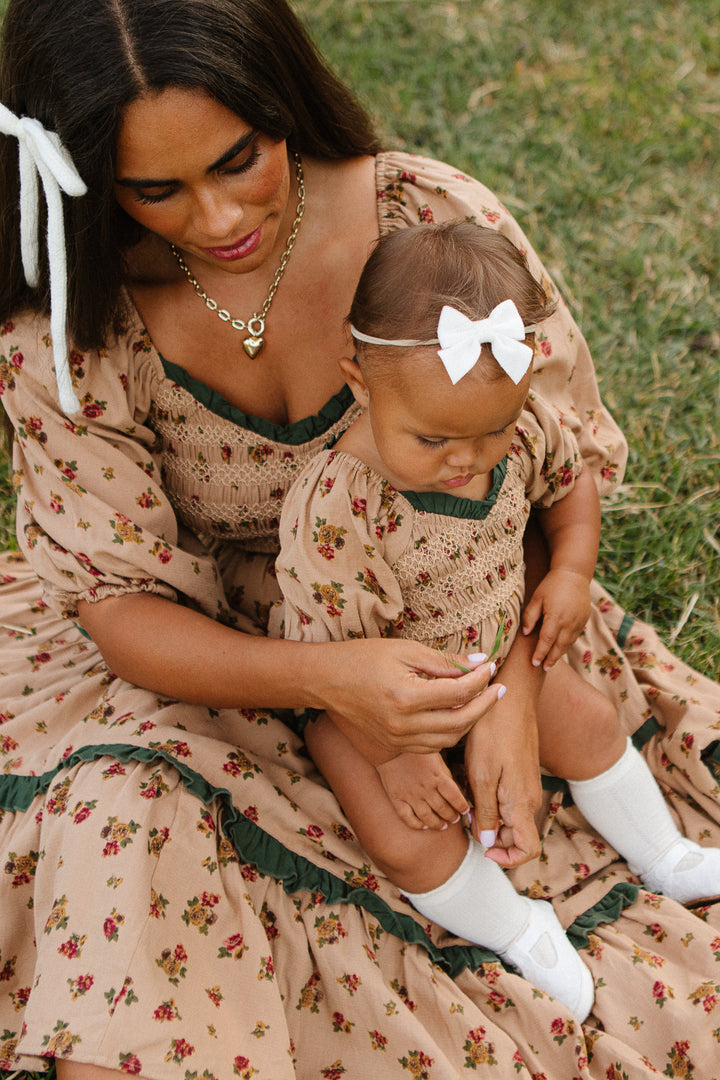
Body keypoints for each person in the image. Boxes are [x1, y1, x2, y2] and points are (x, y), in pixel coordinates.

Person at [0, 0, 719, 1076]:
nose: (214, 216)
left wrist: (507, 699)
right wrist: (332, 680)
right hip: (202, 660)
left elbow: (538, 470)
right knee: (138, 823)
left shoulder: (426, 224)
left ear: (280, 97)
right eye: (155, 190)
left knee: (556, 758)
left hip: (467, 605)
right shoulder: (74, 325)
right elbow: (118, 610)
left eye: (239, 159)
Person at [273, 221, 720, 1024]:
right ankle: (519, 928)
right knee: (399, 829)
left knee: (585, 718)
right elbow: (333, 657)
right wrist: (396, 751)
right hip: (369, 692)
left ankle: (666, 854)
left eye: (489, 433)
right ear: (361, 383)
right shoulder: (341, 506)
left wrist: (573, 569)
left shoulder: (518, 430)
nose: (465, 460)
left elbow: (567, 481)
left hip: (493, 654)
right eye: (434, 438)